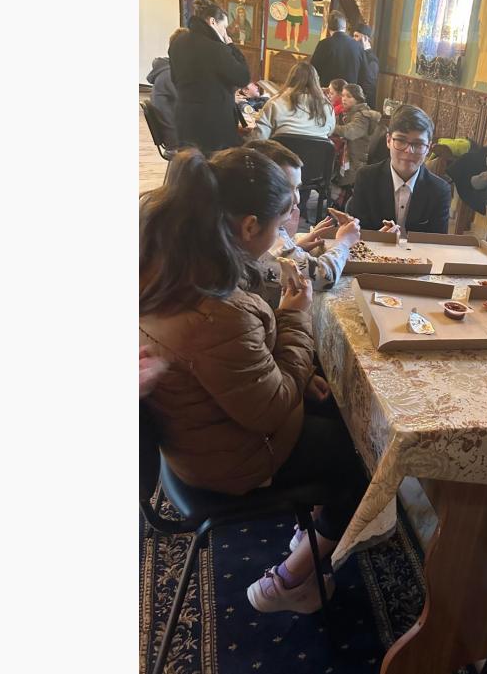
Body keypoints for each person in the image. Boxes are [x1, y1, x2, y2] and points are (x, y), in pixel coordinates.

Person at [139, 148, 370, 615]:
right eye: (281, 222)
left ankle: (312, 528)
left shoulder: (169, 260)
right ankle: (289, 581)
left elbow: (233, 368)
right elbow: (273, 405)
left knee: (334, 404)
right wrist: (294, 317)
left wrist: (298, 373)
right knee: (364, 456)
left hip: (196, 432)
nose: (283, 232)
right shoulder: (215, 311)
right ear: (249, 227)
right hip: (231, 459)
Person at [243, 140, 361, 310]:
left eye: (298, 188)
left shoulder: (258, 225)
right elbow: (323, 277)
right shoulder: (261, 232)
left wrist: (296, 247)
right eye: (285, 190)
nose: (297, 199)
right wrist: (344, 241)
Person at [345, 105, 451, 234]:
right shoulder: (367, 178)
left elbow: (437, 242)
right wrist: (379, 238)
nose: (408, 150)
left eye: (418, 144)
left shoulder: (439, 190)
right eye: (401, 140)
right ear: (388, 141)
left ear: (428, 148)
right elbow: (358, 233)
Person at [170, 2, 250, 153]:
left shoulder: (178, 43)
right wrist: (231, 46)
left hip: (184, 120)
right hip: (213, 127)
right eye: (224, 27)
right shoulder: (217, 49)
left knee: (190, 162)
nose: (225, 32)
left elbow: (175, 79)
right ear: (213, 21)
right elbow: (243, 78)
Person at [249, 62, 336, 141]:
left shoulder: (275, 103)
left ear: (290, 79)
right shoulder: (327, 107)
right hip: (317, 153)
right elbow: (329, 132)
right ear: (316, 81)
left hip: (281, 153)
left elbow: (259, 139)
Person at [331, 83, 384, 191]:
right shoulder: (348, 113)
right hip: (346, 156)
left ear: (358, 99)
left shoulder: (362, 115)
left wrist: (329, 127)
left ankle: (341, 196)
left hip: (355, 161)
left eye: (349, 96)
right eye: (343, 95)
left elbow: (350, 132)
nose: (344, 99)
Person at [145, 28, 188, 148]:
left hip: (175, 133)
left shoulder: (168, 71)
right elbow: (193, 103)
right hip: (177, 139)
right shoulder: (169, 75)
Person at [310, 11, 364, 89]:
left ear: (329, 28)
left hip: (328, 92)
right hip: (350, 93)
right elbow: (362, 74)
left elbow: (313, 70)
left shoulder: (324, 44)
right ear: (345, 27)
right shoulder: (358, 46)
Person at [353, 23, 379, 105]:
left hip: (364, 101)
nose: (353, 39)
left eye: (356, 36)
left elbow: (369, 85)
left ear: (365, 38)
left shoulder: (372, 59)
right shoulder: (358, 54)